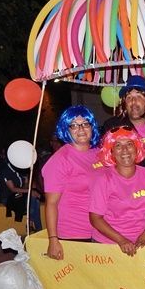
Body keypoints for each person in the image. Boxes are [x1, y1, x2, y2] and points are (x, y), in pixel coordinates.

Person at [42, 105, 103, 260]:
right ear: (66, 129)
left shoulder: (99, 154)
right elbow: (51, 203)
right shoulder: (60, 159)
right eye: (74, 125)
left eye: (85, 124)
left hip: (100, 231)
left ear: (92, 127)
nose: (81, 129)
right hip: (73, 233)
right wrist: (53, 239)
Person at [89, 126, 145, 255]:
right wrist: (121, 240)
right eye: (118, 146)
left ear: (137, 147)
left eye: (129, 144)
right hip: (107, 244)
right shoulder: (104, 179)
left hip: (140, 243)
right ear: (111, 152)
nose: (125, 150)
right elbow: (95, 218)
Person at [101, 75, 145, 168]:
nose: (133, 101)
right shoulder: (113, 127)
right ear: (124, 103)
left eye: (139, 96)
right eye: (129, 97)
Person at [0, 158, 42, 231]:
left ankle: (31, 224)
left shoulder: (21, 169)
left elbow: (25, 185)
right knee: (33, 199)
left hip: (19, 194)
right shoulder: (6, 171)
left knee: (35, 199)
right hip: (9, 197)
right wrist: (30, 191)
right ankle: (36, 228)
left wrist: (25, 190)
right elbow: (12, 189)